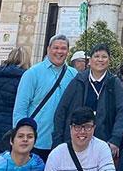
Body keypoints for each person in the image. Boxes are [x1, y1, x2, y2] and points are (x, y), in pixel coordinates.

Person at [52, 43, 123, 158]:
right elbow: (62, 109)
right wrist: (58, 140)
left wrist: (115, 139)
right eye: (97, 56)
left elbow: (122, 111)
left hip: (103, 141)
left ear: (109, 60)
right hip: (76, 139)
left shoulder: (114, 82)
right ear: (90, 61)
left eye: (104, 57)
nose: (100, 60)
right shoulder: (78, 80)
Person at [13, 34, 77, 162]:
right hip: (36, 141)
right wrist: (20, 138)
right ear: (48, 49)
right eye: (56, 48)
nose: (59, 52)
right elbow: (20, 108)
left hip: (62, 141)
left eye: (63, 48)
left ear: (68, 52)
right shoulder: (32, 73)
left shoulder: (73, 75)